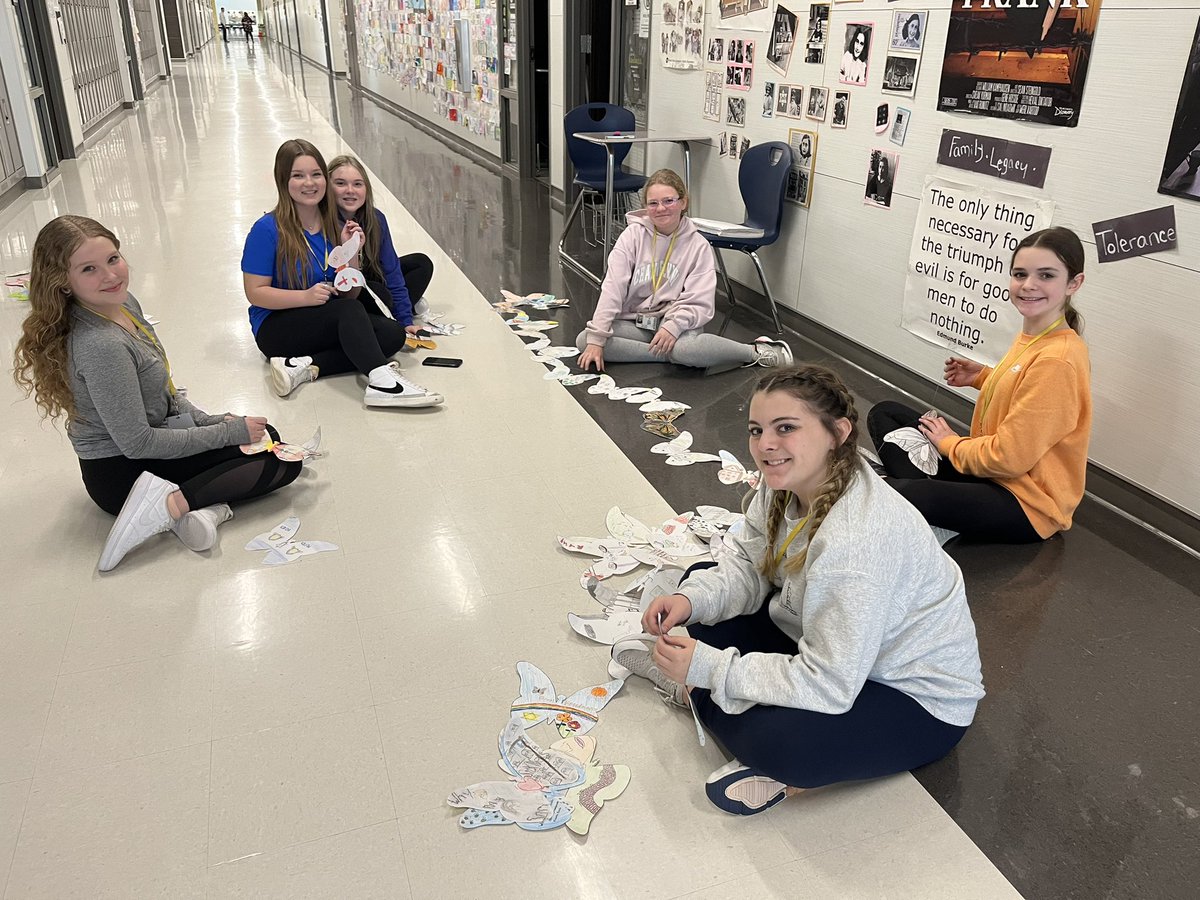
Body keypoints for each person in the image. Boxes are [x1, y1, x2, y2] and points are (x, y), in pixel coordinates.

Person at [609, 365, 983, 815]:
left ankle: (693, 694)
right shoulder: (789, 483)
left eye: (786, 428)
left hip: (912, 699)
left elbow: (830, 683)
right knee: (700, 586)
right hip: (830, 645)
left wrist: (708, 669)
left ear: (837, 433)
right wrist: (692, 602)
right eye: (756, 430)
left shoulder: (857, 542)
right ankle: (712, 694)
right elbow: (748, 567)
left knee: (781, 744)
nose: (766, 445)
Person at [11, 216, 302, 571]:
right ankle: (168, 507)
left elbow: (163, 388)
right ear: (63, 282)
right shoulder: (101, 345)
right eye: (89, 269)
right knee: (282, 462)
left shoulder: (123, 304)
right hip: (122, 474)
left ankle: (203, 510)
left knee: (268, 438)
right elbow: (137, 444)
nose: (110, 276)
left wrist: (211, 421)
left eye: (113, 259)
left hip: (157, 437)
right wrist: (227, 432)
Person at [867, 227, 1092, 544]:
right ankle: (931, 499)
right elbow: (1026, 392)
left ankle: (919, 496)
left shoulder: (1058, 359)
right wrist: (984, 377)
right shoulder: (1037, 334)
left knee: (905, 491)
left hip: (1026, 503)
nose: (1028, 285)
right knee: (885, 414)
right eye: (1020, 273)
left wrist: (949, 446)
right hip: (990, 474)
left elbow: (1010, 458)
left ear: (1073, 283)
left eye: (1046, 276)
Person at [241, 139, 443, 407]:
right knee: (350, 314)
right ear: (283, 181)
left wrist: (352, 254)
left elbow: (351, 294)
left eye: (315, 175)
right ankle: (383, 383)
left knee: (391, 334)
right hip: (276, 326)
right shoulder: (267, 229)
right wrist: (304, 297)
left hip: (319, 315)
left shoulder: (331, 226)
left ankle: (303, 366)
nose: (309, 183)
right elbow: (255, 293)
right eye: (298, 176)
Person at [575, 169, 792, 372]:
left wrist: (673, 327)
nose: (661, 208)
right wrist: (597, 340)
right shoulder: (631, 236)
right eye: (653, 203)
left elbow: (699, 300)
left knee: (686, 348)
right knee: (586, 340)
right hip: (636, 322)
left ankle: (755, 350)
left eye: (669, 201)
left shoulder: (698, 245)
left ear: (683, 202)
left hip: (680, 322)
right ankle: (670, 356)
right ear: (646, 207)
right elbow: (612, 288)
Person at [328, 154, 435, 330]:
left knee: (420, 264)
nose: (350, 190)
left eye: (357, 184)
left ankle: (393, 312)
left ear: (366, 189)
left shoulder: (376, 219)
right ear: (328, 188)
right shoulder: (321, 223)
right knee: (379, 292)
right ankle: (381, 315)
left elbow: (392, 271)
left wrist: (405, 321)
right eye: (340, 183)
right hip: (344, 293)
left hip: (371, 277)